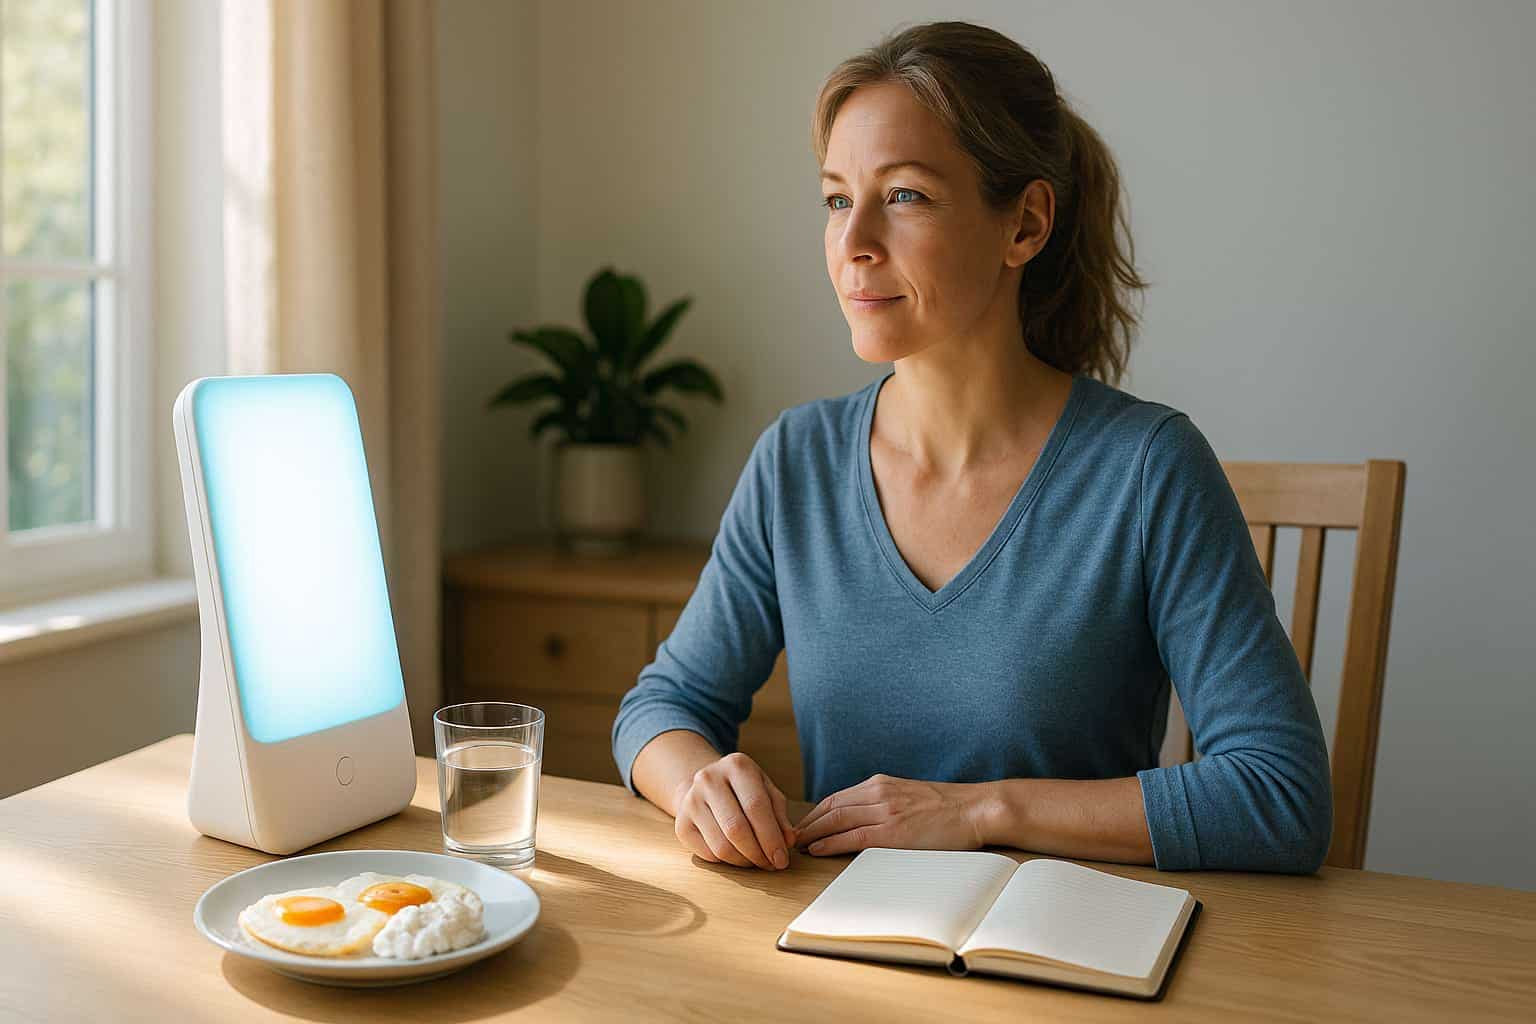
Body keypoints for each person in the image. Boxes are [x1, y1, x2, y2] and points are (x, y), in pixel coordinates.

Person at [611, 20, 1332, 875]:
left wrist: (982, 810)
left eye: (905, 195)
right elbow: (661, 707)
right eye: (838, 198)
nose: (854, 243)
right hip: (844, 952)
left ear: (1024, 225)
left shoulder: (1149, 469)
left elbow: (1278, 795)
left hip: (1065, 965)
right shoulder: (795, 460)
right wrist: (700, 783)